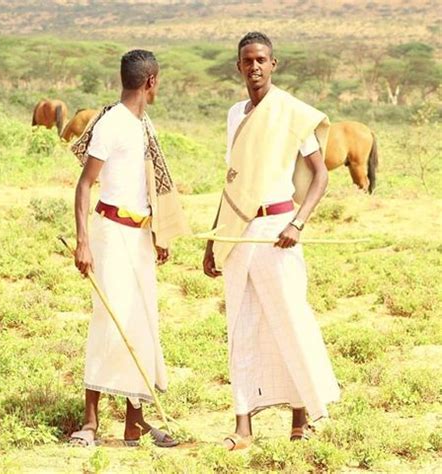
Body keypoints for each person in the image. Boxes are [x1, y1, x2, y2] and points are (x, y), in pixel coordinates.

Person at [203, 32, 340, 450]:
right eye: (248, 61)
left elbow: (320, 175)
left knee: (288, 320)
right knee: (241, 324)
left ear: (273, 64)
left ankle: (301, 419)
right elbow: (233, 184)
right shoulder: (233, 115)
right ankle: (243, 426)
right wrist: (212, 240)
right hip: (238, 231)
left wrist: (298, 223)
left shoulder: (291, 112)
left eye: (262, 59)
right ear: (239, 67)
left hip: (278, 231)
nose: (255, 66)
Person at [70, 49, 188, 447]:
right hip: (110, 234)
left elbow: (146, 187)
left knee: (140, 323)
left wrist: (158, 233)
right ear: (151, 82)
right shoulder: (113, 124)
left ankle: (135, 422)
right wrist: (83, 242)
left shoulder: (141, 125)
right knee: (110, 320)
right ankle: (90, 422)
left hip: (139, 236)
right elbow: (84, 185)